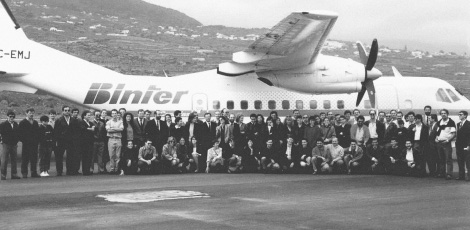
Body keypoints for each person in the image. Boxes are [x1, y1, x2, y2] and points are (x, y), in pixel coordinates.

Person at [55, 105, 80, 176]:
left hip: (71, 141)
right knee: (59, 157)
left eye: (68, 110)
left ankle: (70, 170)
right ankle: (59, 171)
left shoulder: (74, 120)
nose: (67, 112)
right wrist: (56, 141)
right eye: (65, 110)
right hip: (61, 141)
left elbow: (76, 131)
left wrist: (75, 139)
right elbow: (56, 132)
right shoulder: (59, 120)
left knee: (70, 156)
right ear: (63, 111)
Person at [18, 108, 40, 178]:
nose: (31, 114)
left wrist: (37, 141)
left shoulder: (35, 123)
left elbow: (38, 133)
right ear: (26, 113)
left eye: (33, 113)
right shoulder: (22, 122)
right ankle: (24, 173)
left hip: (34, 144)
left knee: (34, 158)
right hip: (26, 144)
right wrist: (24, 140)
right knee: (25, 158)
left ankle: (34, 172)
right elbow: (20, 134)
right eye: (30, 113)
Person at [435, 109, 456, 180]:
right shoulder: (439, 122)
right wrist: (436, 138)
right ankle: (442, 173)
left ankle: (449, 174)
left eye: (445, 113)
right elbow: (437, 132)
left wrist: (448, 140)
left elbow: (453, 134)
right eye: (442, 113)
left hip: (447, 143)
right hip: (439, 143)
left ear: (447, 114)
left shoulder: (451, 122)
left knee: (448, 159)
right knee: (441, 159)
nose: (443, 114)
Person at [0, 111, 21, 180]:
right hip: (6, 144)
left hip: (14, 144)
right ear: (7, 117)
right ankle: (3, 175)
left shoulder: (16, 124)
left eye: (13, 116)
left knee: (14, 160)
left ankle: (14, 174)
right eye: (10, 116)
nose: (11, 118)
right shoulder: (3, 124)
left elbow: (18, 134)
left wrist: (17, 140)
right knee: (4, 160)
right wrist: (1, 140)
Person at [106, 109, 124, 174]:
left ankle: (117, 169)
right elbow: (108, 130)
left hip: (118, 139)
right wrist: (117, 129)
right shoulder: (108, 122)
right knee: (111, 155)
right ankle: (112, 169)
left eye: (115, 113)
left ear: (117, 114)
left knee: (118, 155)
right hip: (111, 139)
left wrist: (112, 128)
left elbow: (121, 129)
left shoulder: (120, 122)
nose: (114, 115)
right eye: (113, 113)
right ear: (111, 114)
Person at [455, 111, 470, 180]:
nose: (459, 115)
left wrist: (468, 145)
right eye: (459, 114)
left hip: (466, 145)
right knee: (460, 161)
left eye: (461, 114)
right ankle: (461, 176)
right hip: (459, 146)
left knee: (468, 161)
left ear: (465, 115)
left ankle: (469, 176)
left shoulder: (468, 124)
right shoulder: (458, 124)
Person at [80, 110, 95, 176]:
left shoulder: (91, 123)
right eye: (88, 115)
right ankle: (85, 171)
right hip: (84, 143)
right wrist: (90, 129)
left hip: (90, 143)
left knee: (89, 157)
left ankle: (88, 170)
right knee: (85, 157)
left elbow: (94, 130)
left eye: (90, 115)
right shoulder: (81, 122)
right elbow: (82, 129)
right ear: (84, 116)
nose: (89, 116)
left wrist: (92, 129)